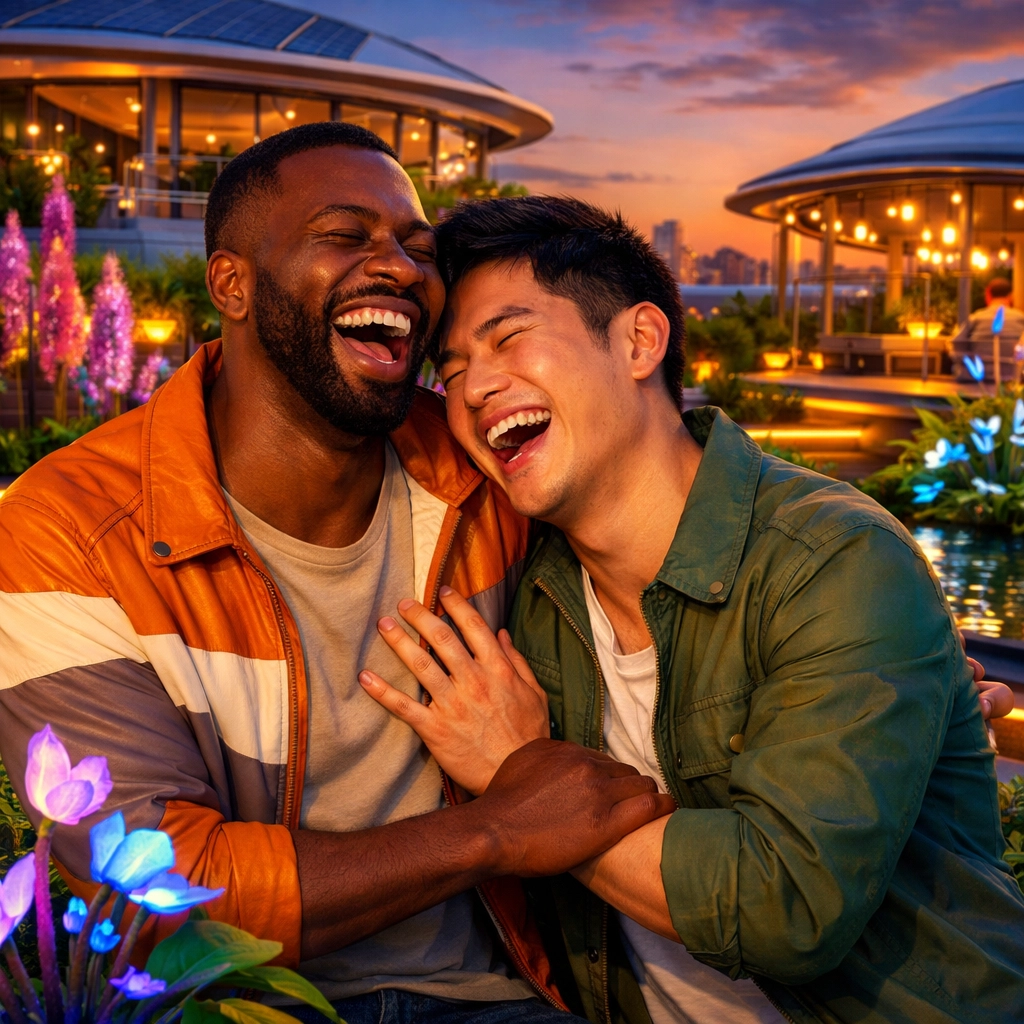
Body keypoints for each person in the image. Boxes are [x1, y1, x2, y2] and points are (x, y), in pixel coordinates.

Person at [0, 127, 676, 1024]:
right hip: (241, 1007)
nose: (398, 267)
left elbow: (654, 504)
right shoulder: (67, 533)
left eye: (417, 248)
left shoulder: (482, 467)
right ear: (231, 284)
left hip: (499, 994)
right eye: (345, 235)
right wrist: (496, 830)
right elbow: (150, 894)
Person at [361, 196, 1024, 1024]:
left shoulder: (836, 561)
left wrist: (521, 779)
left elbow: (783, 908)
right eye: (452, 369)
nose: (474, 388)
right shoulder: (527, 600)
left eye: (508, 337)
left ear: (640, 340)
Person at [952, 276, 1024, 383]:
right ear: (1010, 296)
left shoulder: (975, 318)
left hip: (978, 379)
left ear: (988, 295)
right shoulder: (1021, 318)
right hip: (1014, 379)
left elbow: (957, 343)